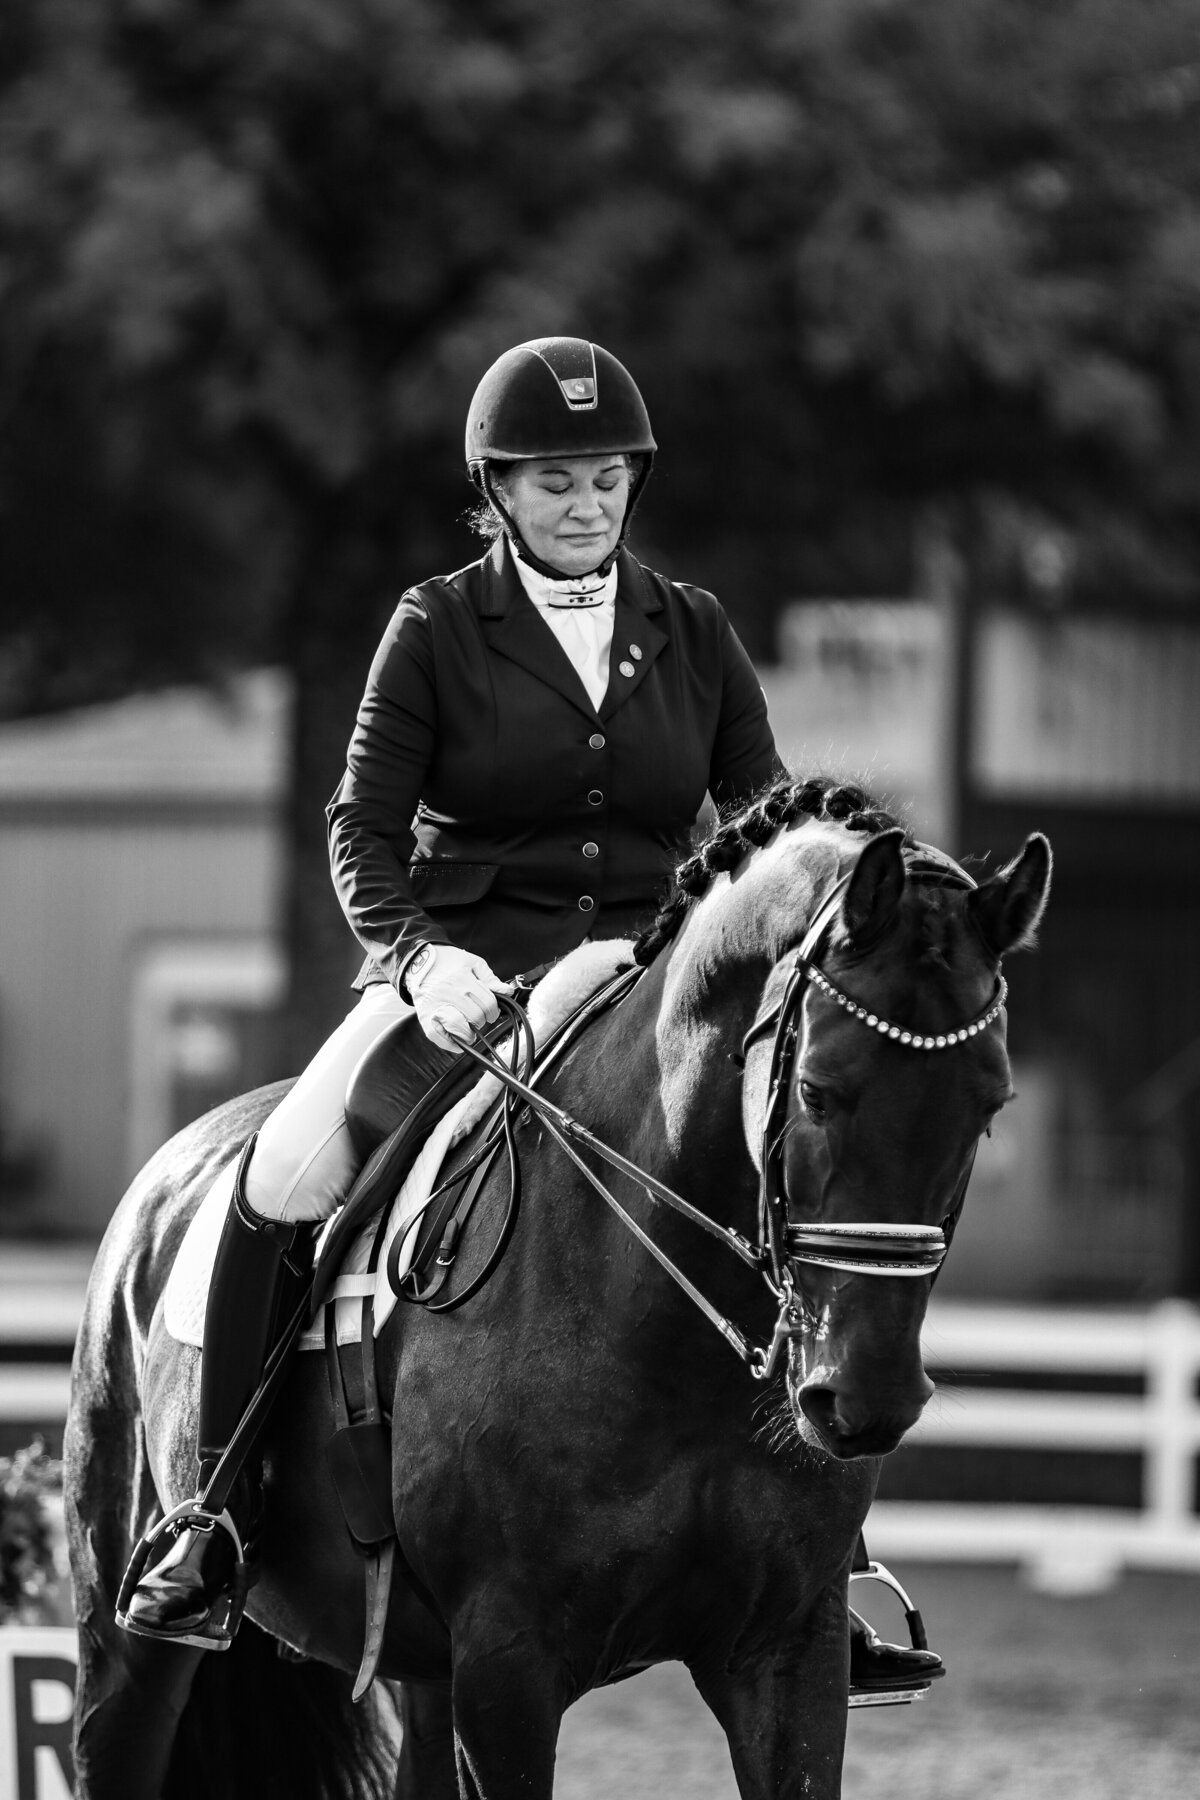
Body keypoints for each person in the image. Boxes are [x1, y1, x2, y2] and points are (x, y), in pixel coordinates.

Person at [120, 336, 941, 1697]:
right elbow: (359, 830)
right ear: (496, 492)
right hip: (470, 991)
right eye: (554, 481)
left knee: (797, 1188)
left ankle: (820, 1567)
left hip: (652, 990)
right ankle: (209, 1517)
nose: (586, 504)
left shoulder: (695, 628)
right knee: (280, 1179)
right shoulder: (438, 626)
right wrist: (412, 959)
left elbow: (767, 821)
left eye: (607, 477)